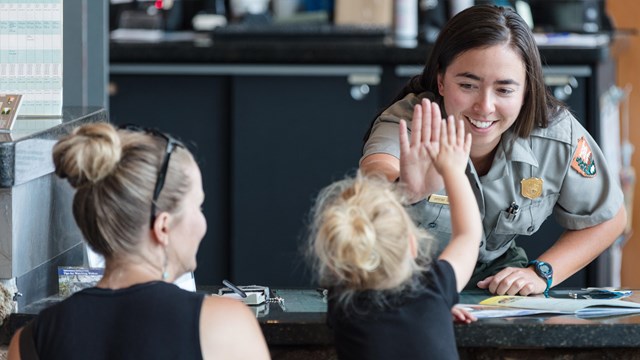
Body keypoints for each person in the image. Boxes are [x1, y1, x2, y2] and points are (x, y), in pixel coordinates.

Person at [361, 4, 626, 296]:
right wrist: (403, 191)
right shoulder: (413, 121)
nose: (485, 107)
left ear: (526, 89)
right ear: (441, 80)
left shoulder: (556, 134)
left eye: (504, 90)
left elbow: (609, 218)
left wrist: (542, 273)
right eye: (467, 85)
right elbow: (375, 173)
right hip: (405, 283)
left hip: (495, 288)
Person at [8, 123, 270, 360]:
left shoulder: (30, 341)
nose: (203, 223)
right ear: (163, 226)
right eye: (198, 207)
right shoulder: (224, 325)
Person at [308, 103, 482, 360]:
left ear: (335, 263)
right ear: (413, 245)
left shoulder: (342, 303)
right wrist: (453, 170)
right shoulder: (433, 286)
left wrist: (437, 305)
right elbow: (468, 235)